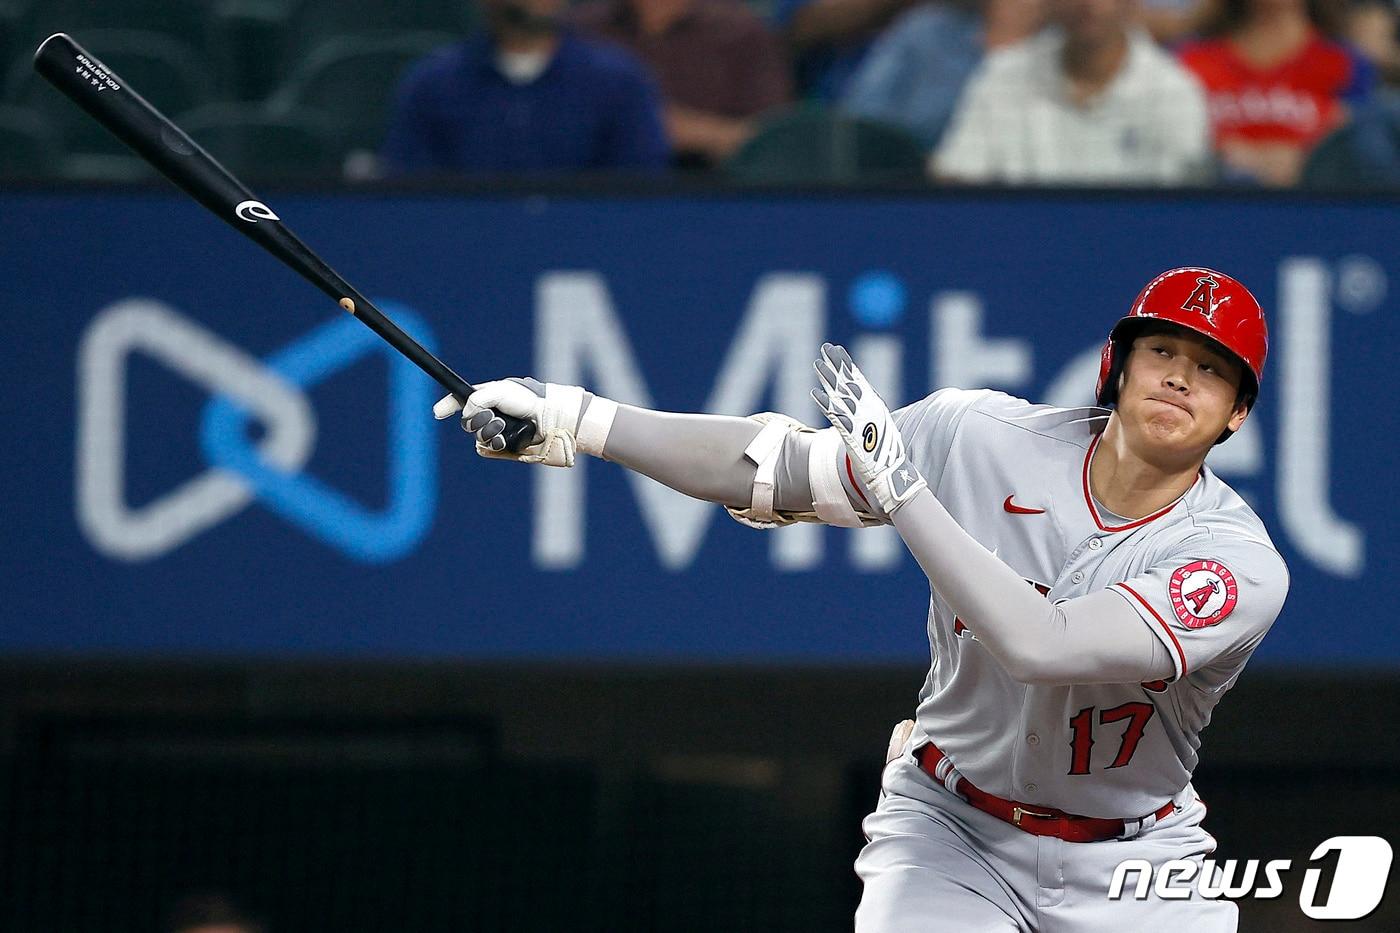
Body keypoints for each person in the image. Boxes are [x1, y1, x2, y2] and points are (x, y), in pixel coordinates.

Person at [436, 266, 1287, 931]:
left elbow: (1046, 645)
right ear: (1119, 362)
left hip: (1133, 861)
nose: (1179, 378)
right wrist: (576, 416)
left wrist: (906, 493)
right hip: (953, 829)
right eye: (1163, 352)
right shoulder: (980, 434)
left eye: (1210, 370)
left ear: (1236, 413)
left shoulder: (1232, 561)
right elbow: (770, 468)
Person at [931, 0, 1212, 185]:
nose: (1091, 5)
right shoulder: (1002, 76)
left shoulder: (1175, 92)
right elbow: (956, 181)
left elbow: (1179, 214)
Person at [379, 0, 669, 175]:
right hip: (464, 246)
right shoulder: (432, 83)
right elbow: (408, 189)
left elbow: (640, 189)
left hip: (584, 254)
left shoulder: (618, 81)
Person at [1178, 0, 1376, 187]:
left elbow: (1359, 148)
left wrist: (1305, 158)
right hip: (1210, 201)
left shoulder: (1346, 63)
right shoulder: (1190, 60)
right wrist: (1220, 156)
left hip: (1315, 204)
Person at [571, 0, 792, 166]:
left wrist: (694, 131)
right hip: (599, 189)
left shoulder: (741, 32)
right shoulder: (581, 29)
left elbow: (773, 137)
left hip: (716, 191)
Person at [840, 0, 1048, 149]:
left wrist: (1005, 52)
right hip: (907, 187)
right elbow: (858, 127)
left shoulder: (1057, 41)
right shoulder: (923, 29)